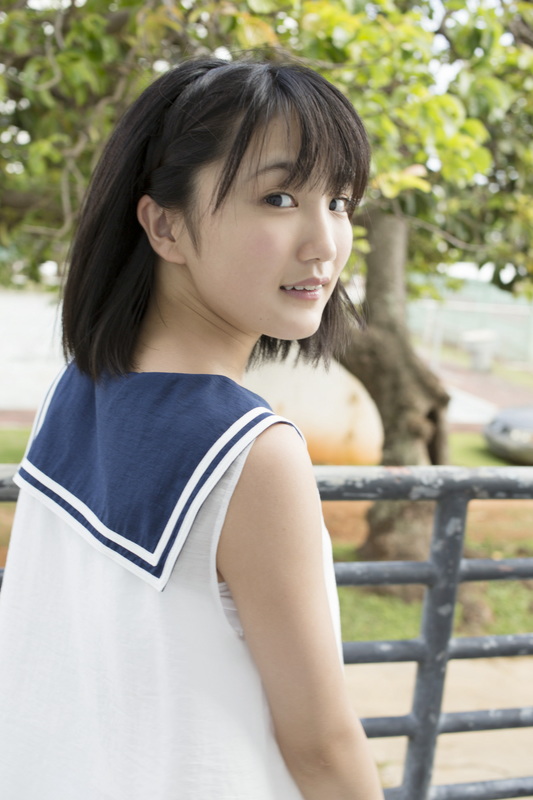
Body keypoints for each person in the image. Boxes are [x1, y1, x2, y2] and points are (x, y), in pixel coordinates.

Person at [0, 57, 384, 799]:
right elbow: (321, 748)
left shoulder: (74, 391)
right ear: (165, 225)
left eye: (339, 201)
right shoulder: (249, 454)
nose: (324, 242)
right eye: (279, 197)